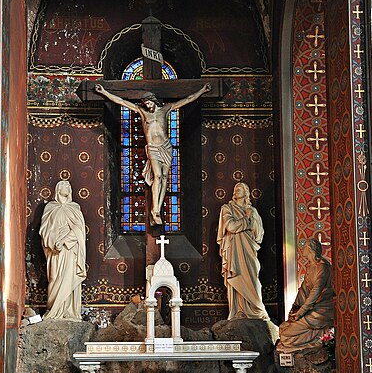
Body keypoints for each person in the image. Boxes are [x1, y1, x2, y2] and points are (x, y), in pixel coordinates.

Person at [95, 82, 211, 225]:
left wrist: (202, 90)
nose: (148, 106)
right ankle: (154, 209)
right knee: (157, 175)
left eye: (149, 103)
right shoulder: (142, 112)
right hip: (153, 148)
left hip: (166, 147)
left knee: (164, 178)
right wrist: (104, 92)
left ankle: (158, 208)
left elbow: (187, 100)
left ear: (154, 101)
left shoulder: (166, 109)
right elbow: (121, 101)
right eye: (146, 103)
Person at [217, 182, 269, 320]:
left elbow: (259, 234)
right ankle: (238, 311)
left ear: (247, 193)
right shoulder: (227, 208)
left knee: (252, 277)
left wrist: (251, 221)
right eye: (235, 188)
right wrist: (247, 220)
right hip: (234, 250)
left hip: (249, 248)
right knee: (237, 275)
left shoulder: (253, 211)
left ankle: (257, 309)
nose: (237, 190)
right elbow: (231, 226)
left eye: (240, 189)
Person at [276, 238, 334, 354]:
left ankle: (318, 338)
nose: (302, 249)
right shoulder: (310, 268)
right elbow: (303, 291)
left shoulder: (323, 267)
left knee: (286, 335)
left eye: (304, 247)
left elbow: (316, 291)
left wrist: (301, 312)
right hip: (310, 309)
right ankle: (314, 337)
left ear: (310, 250)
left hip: (320, 311)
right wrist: (295, 310)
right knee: (283, 329)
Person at [40, 180, 87, 320]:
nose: (67, 187)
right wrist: (54, 242)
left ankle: (70, 311)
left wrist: (66, 240)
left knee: (69, 277)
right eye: (63, 185)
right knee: (55, 277)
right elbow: (44, 229)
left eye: (69, 186)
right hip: (55, 250)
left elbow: (79, 229)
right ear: (58, 189)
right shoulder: (50, 207)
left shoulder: (75, 207)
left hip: (70, 249)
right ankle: (55, 309)